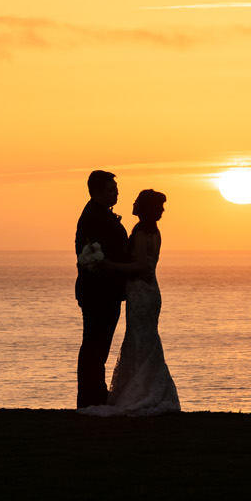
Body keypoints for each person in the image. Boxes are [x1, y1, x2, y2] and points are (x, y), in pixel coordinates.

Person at [78, 187, 181, 416]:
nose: (131, 202)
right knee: (143, 339)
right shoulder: (153, 232)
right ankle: (143, 387)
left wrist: (109, 266)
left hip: (141, 291)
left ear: (142, 207)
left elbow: (142, 266)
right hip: (148, 291)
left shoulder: (143, 233)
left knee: (141, 339)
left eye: (136, 201)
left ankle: (142, 391)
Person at [73, 169, 130, 409]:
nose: (116, 193)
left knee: (98, 346)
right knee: (94, 346)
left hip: (106, 291)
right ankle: (91, 397)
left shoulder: (100, 214)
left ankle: (95, 395)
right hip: (99, 292)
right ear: (97, 192)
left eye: (116, 189)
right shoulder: (93, 217)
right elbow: (94, 255)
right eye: (111, 189)